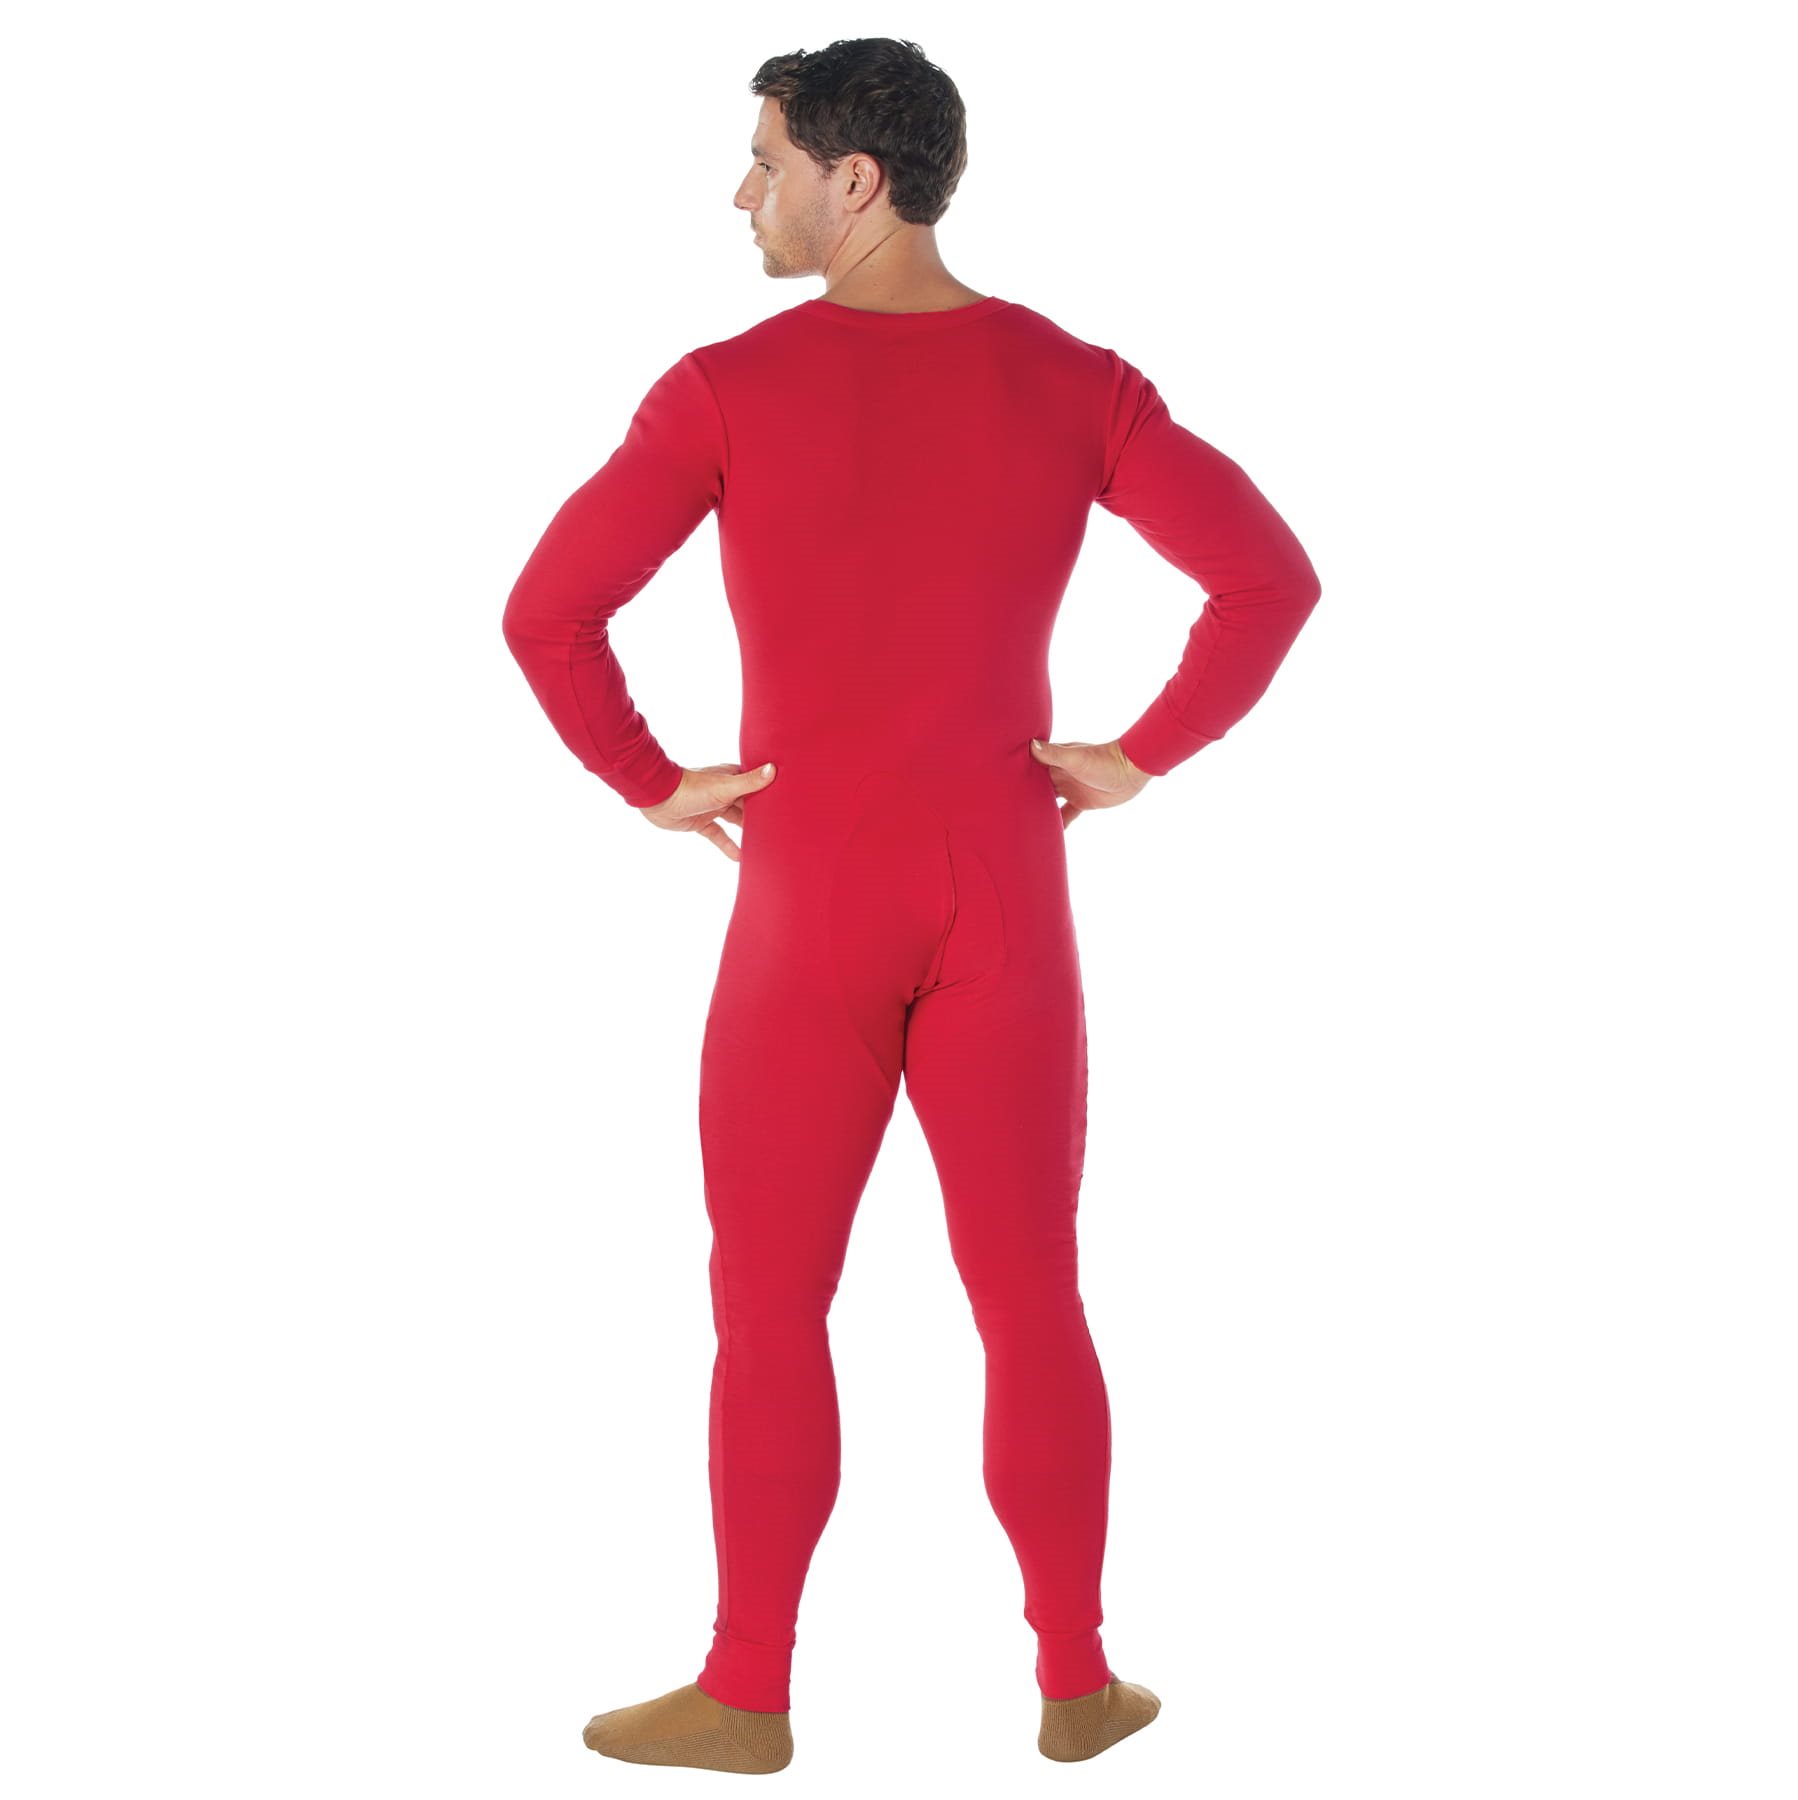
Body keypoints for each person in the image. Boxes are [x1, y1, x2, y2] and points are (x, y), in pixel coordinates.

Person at [501, 37, 1322, 1775]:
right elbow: (1269, 579)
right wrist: (1138, 756)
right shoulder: (1079, 383)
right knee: (1031, 1297)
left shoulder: (724, 389)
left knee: (769, 1309)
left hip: (806, 908)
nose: (744, 192)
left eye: (766, 159)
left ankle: (746, 1694)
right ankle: (1079, 1683)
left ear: (853, 178)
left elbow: (546, 615)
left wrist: (652, 780)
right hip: (1004, 896)